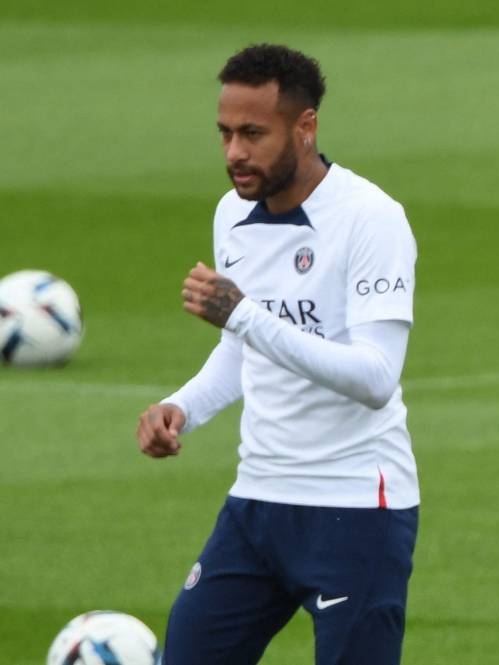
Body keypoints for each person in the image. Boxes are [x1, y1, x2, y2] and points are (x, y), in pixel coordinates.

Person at [136, 44, 419, 665]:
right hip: (258, 502)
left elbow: (375, 377)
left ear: (306, 126)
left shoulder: (371, 219)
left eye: (253, 133)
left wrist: (243, 315)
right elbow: (242, 354)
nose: (235, 151)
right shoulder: (232, 214)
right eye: (225, 133)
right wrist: (182, 407)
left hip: (356, 509)